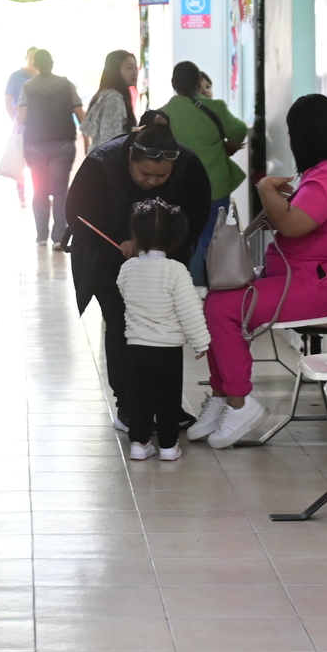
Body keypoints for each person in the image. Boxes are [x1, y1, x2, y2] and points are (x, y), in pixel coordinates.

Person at [194, 94, 327, 448]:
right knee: (216, 301)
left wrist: (264, 187)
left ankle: (240, 403)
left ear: (301, 136)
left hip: (324, 287)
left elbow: (292, 226)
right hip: (307, 278)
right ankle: (223, 395)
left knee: (221, 308)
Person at [64, 114, 211, 431]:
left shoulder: (188, 165)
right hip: (107, 259)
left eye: (162, 176)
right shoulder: (102, 163)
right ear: (131, 155)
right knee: (121, 325)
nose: (152, 182)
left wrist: (164, 248)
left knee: (164, 331)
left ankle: (166, 405)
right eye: (145, 174)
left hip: (166, 260)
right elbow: (77, 215)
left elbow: (197, 216)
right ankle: (129, 405)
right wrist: (120, 242)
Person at [116, 198, 210, 461]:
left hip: (136, 347)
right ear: (175, 238)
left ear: (135, 234)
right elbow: (189, 310)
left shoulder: (127, 268)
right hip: (168, 349)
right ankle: (168, 447)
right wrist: (200, 341)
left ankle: (139, 444)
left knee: (139, 398)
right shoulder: (176, 271)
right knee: (168, 399)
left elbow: (123, 291)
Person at [160, 61, 250, 285]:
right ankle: (212, 287)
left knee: (185, 239)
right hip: (214, 188)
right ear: (199, 82)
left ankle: (190, 288)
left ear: (173, 83)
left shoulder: (163, 115)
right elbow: (238, 132)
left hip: (179, 189)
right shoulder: (214, 107)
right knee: (212, 239)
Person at [18, 49, 84, 246]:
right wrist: (89, 137)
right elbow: (80, 113)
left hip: (35, 145)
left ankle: (41, 236)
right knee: (60, 190)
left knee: (39, 189)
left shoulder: (28, 87)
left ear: (36, 65)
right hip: (63, 143)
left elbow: (21, 118)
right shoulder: (66, 84)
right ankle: (59, 238)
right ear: (52, 63)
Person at [80, 49, 139, 149]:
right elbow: (110, 142)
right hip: (108, 157)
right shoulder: (113, 99)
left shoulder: (107, 94)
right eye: (129, 68)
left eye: (135, 67)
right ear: (115, 71)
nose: (135, 72)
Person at [2, 46, 37, 206]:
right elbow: (8, 100)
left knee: (37, 162)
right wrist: (14, 120)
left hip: (39, 126)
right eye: (31, 56)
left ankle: (40, 194)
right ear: (26, 58)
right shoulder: (16, 77)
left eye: (36, 57)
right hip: (21, 126)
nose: (33, 59)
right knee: (20, 161)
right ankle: (21, 195)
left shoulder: (42, 76)